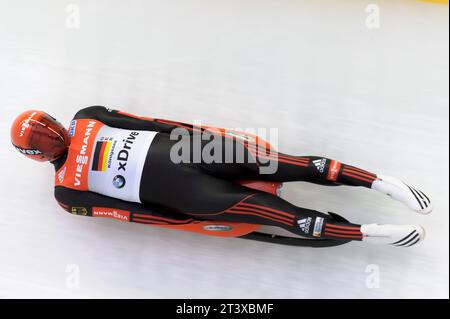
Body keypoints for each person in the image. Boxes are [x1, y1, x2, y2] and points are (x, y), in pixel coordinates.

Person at [10, 106, 433, 247]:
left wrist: (202, 139)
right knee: (285, 192)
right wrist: (183, 217)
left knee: (285, 188)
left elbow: (151, 125)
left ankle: (378, 205)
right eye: (46, 135)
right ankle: (376, 211)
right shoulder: (69, 183)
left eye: (47, 127)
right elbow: (129, 211)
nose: (53, 135)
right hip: (189, 170)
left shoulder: (81, 138)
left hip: (187, 165)